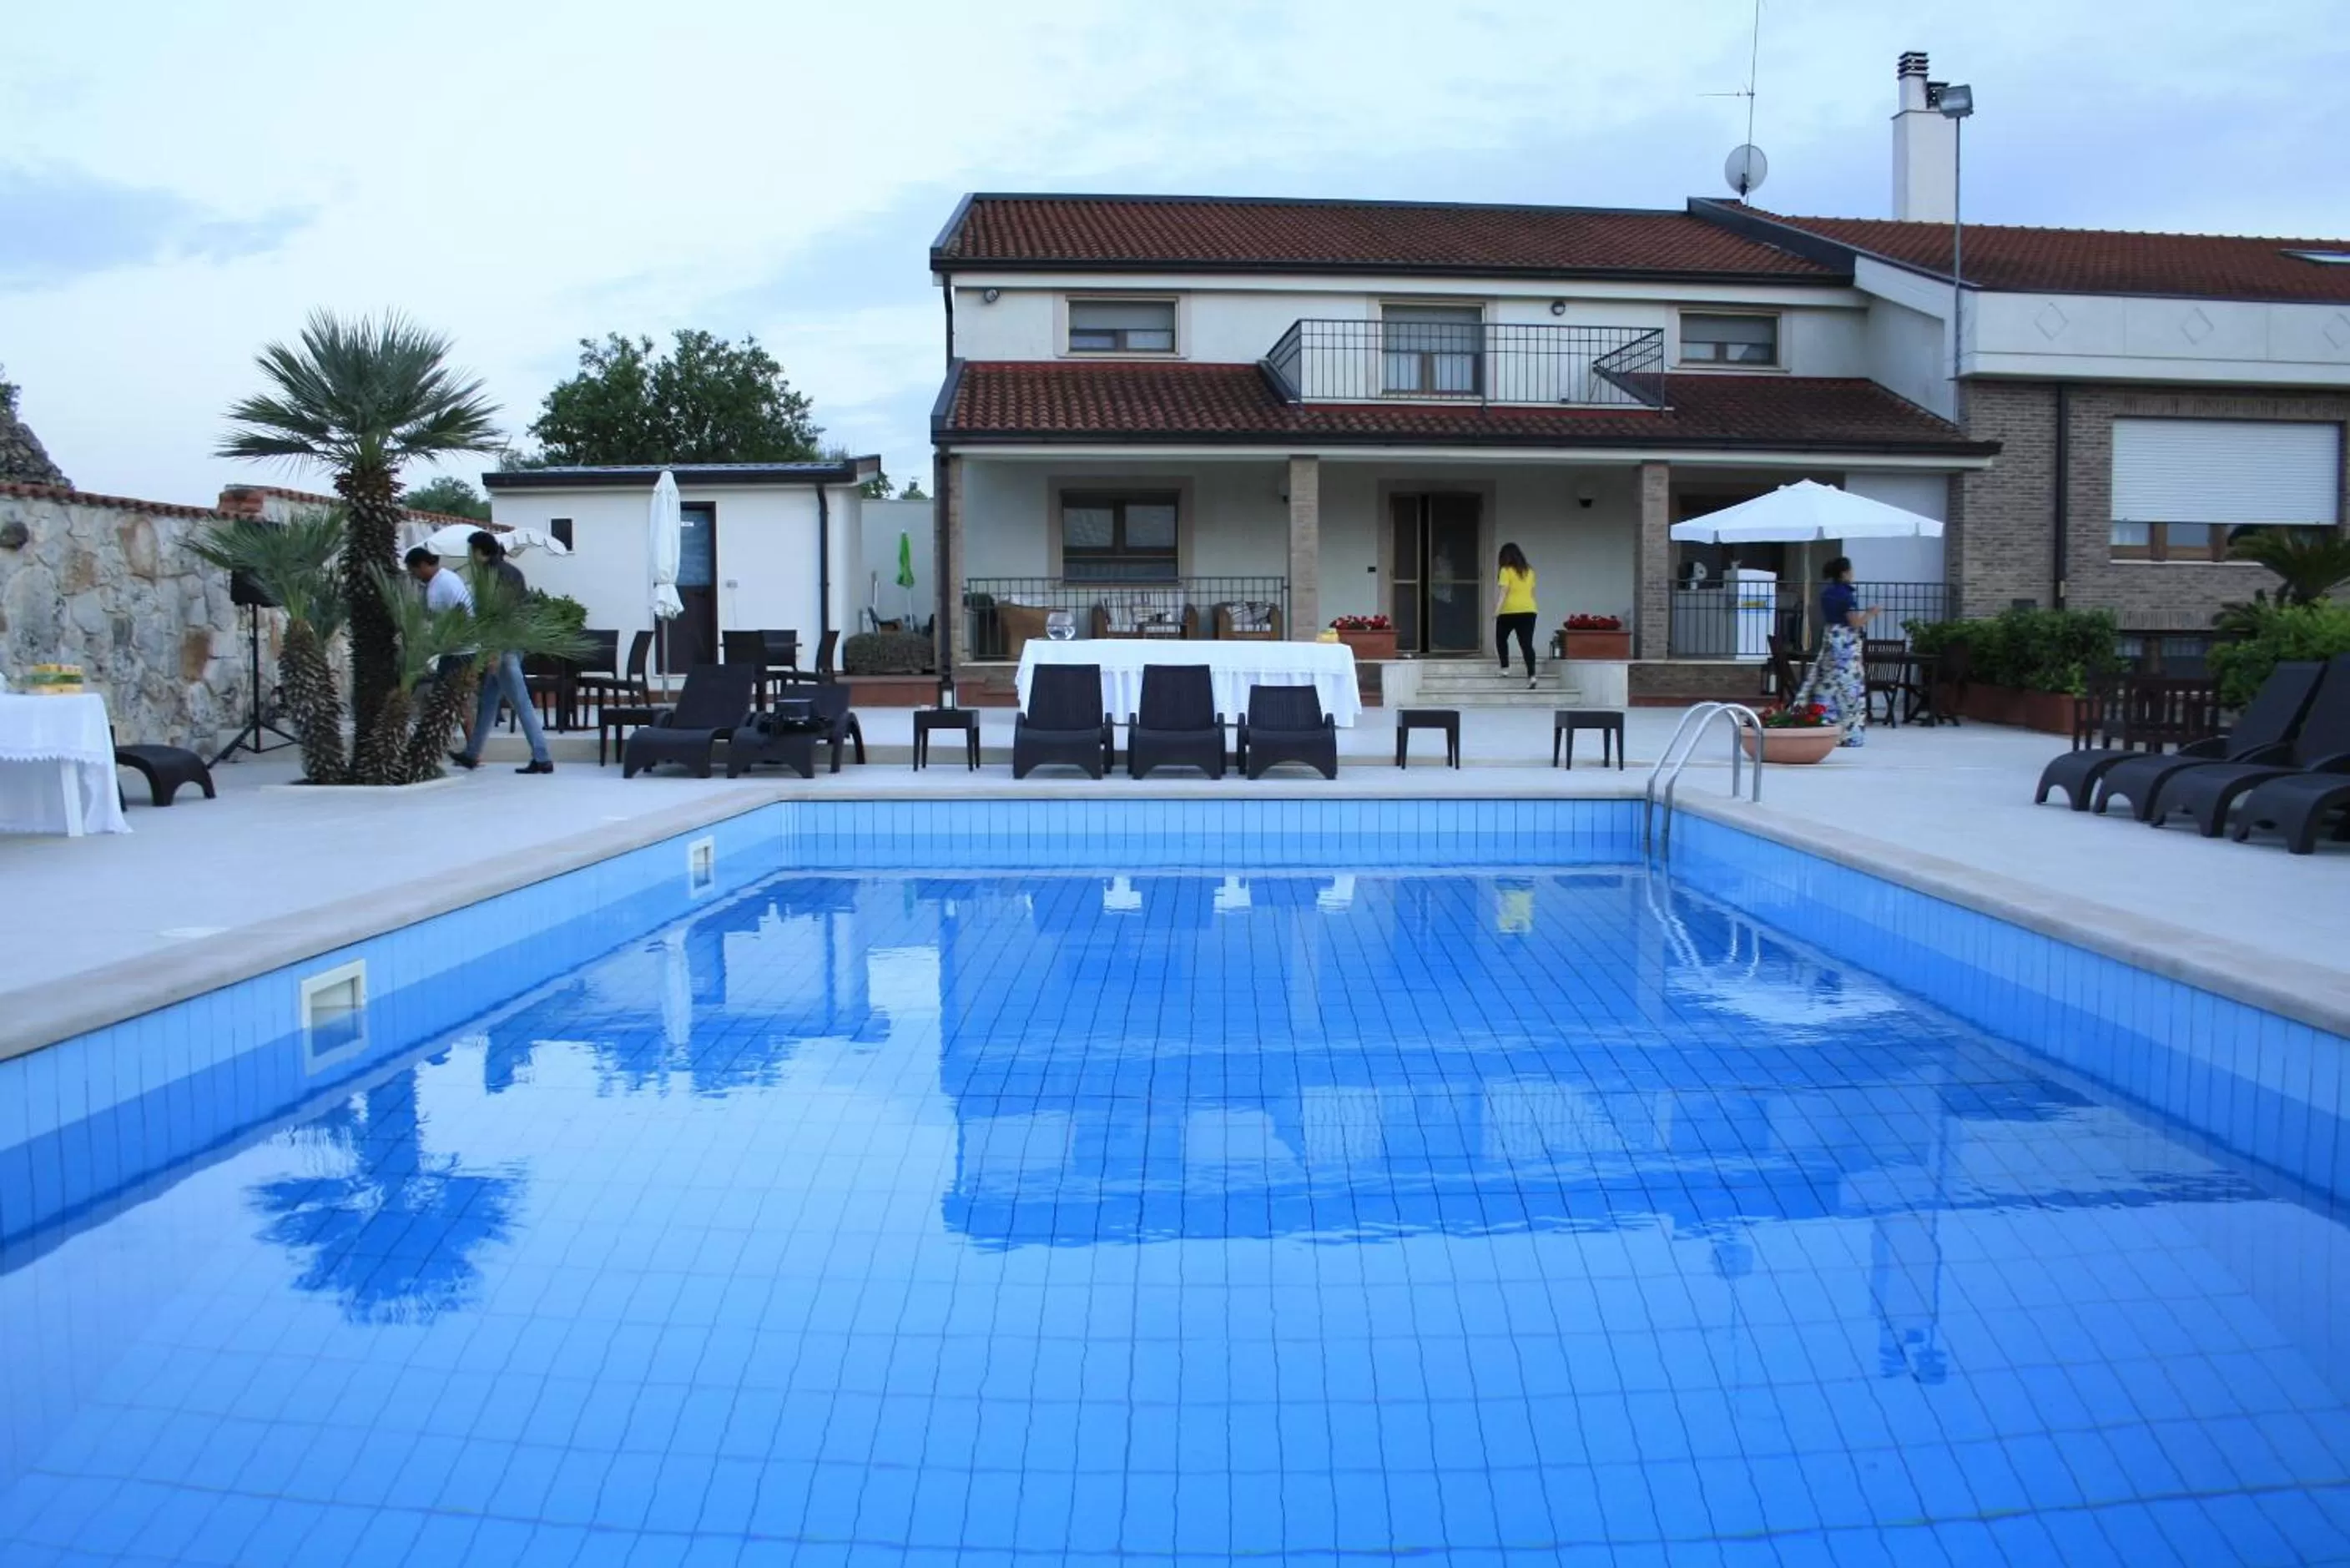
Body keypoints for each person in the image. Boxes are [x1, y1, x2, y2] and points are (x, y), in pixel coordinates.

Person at [449, 531, 554, 775]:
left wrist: (494, 651)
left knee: (521, 703)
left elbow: (497, 614)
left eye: (471, 551)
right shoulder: (512, 572)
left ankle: (543, 757)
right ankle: (472, 754)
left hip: (501, 646)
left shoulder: (491, 576)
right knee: (488, 702)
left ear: (478, 551)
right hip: (512, 643)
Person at [1794, 556, 1878, 746]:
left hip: (1831, 637)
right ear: (1844, 573)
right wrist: (1871, 613)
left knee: (1826, 683)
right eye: (1851, 570)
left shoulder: (1827, 594)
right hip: (1846, 643)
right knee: (1849, 689)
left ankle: (1823, 725)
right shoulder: (1846, 595)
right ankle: (1849, 733)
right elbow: (1854, 622)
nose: (1853, 574)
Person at [1495, 542, 1539, 689]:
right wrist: (1532, 609)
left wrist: (1496, 611)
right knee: (1526, 644)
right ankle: (1532, 676)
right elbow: (1532, 594)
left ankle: (1505, 668)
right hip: (1529, 611)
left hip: (1509, 611)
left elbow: (1503, 592)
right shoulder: (1530, 571)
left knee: (1501, 639)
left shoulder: (1505, 570)